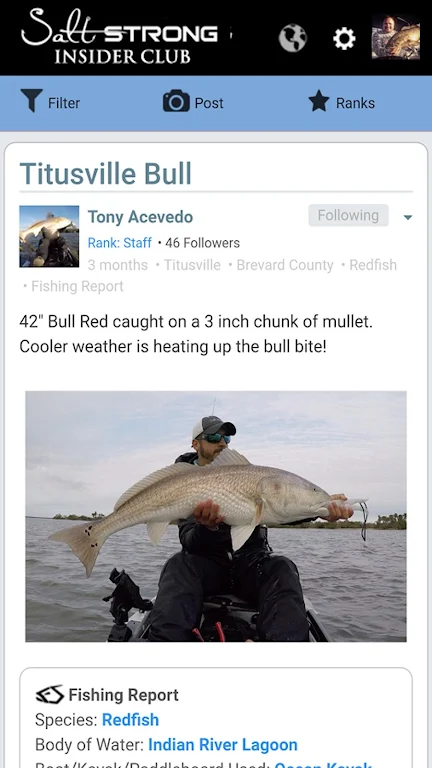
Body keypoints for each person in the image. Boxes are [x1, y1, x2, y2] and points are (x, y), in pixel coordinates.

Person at [147, 415, 353, 642]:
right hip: (206, 565)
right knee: (178, 565)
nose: (222, 443)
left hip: (249, 563)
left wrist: (321, 510)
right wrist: (207, 528)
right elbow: (189, 541)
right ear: (196, 444)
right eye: (214, 437)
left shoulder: (245, 474)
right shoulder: (180, 482)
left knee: (282, 567)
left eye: (226, 438)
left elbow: (281, 508)